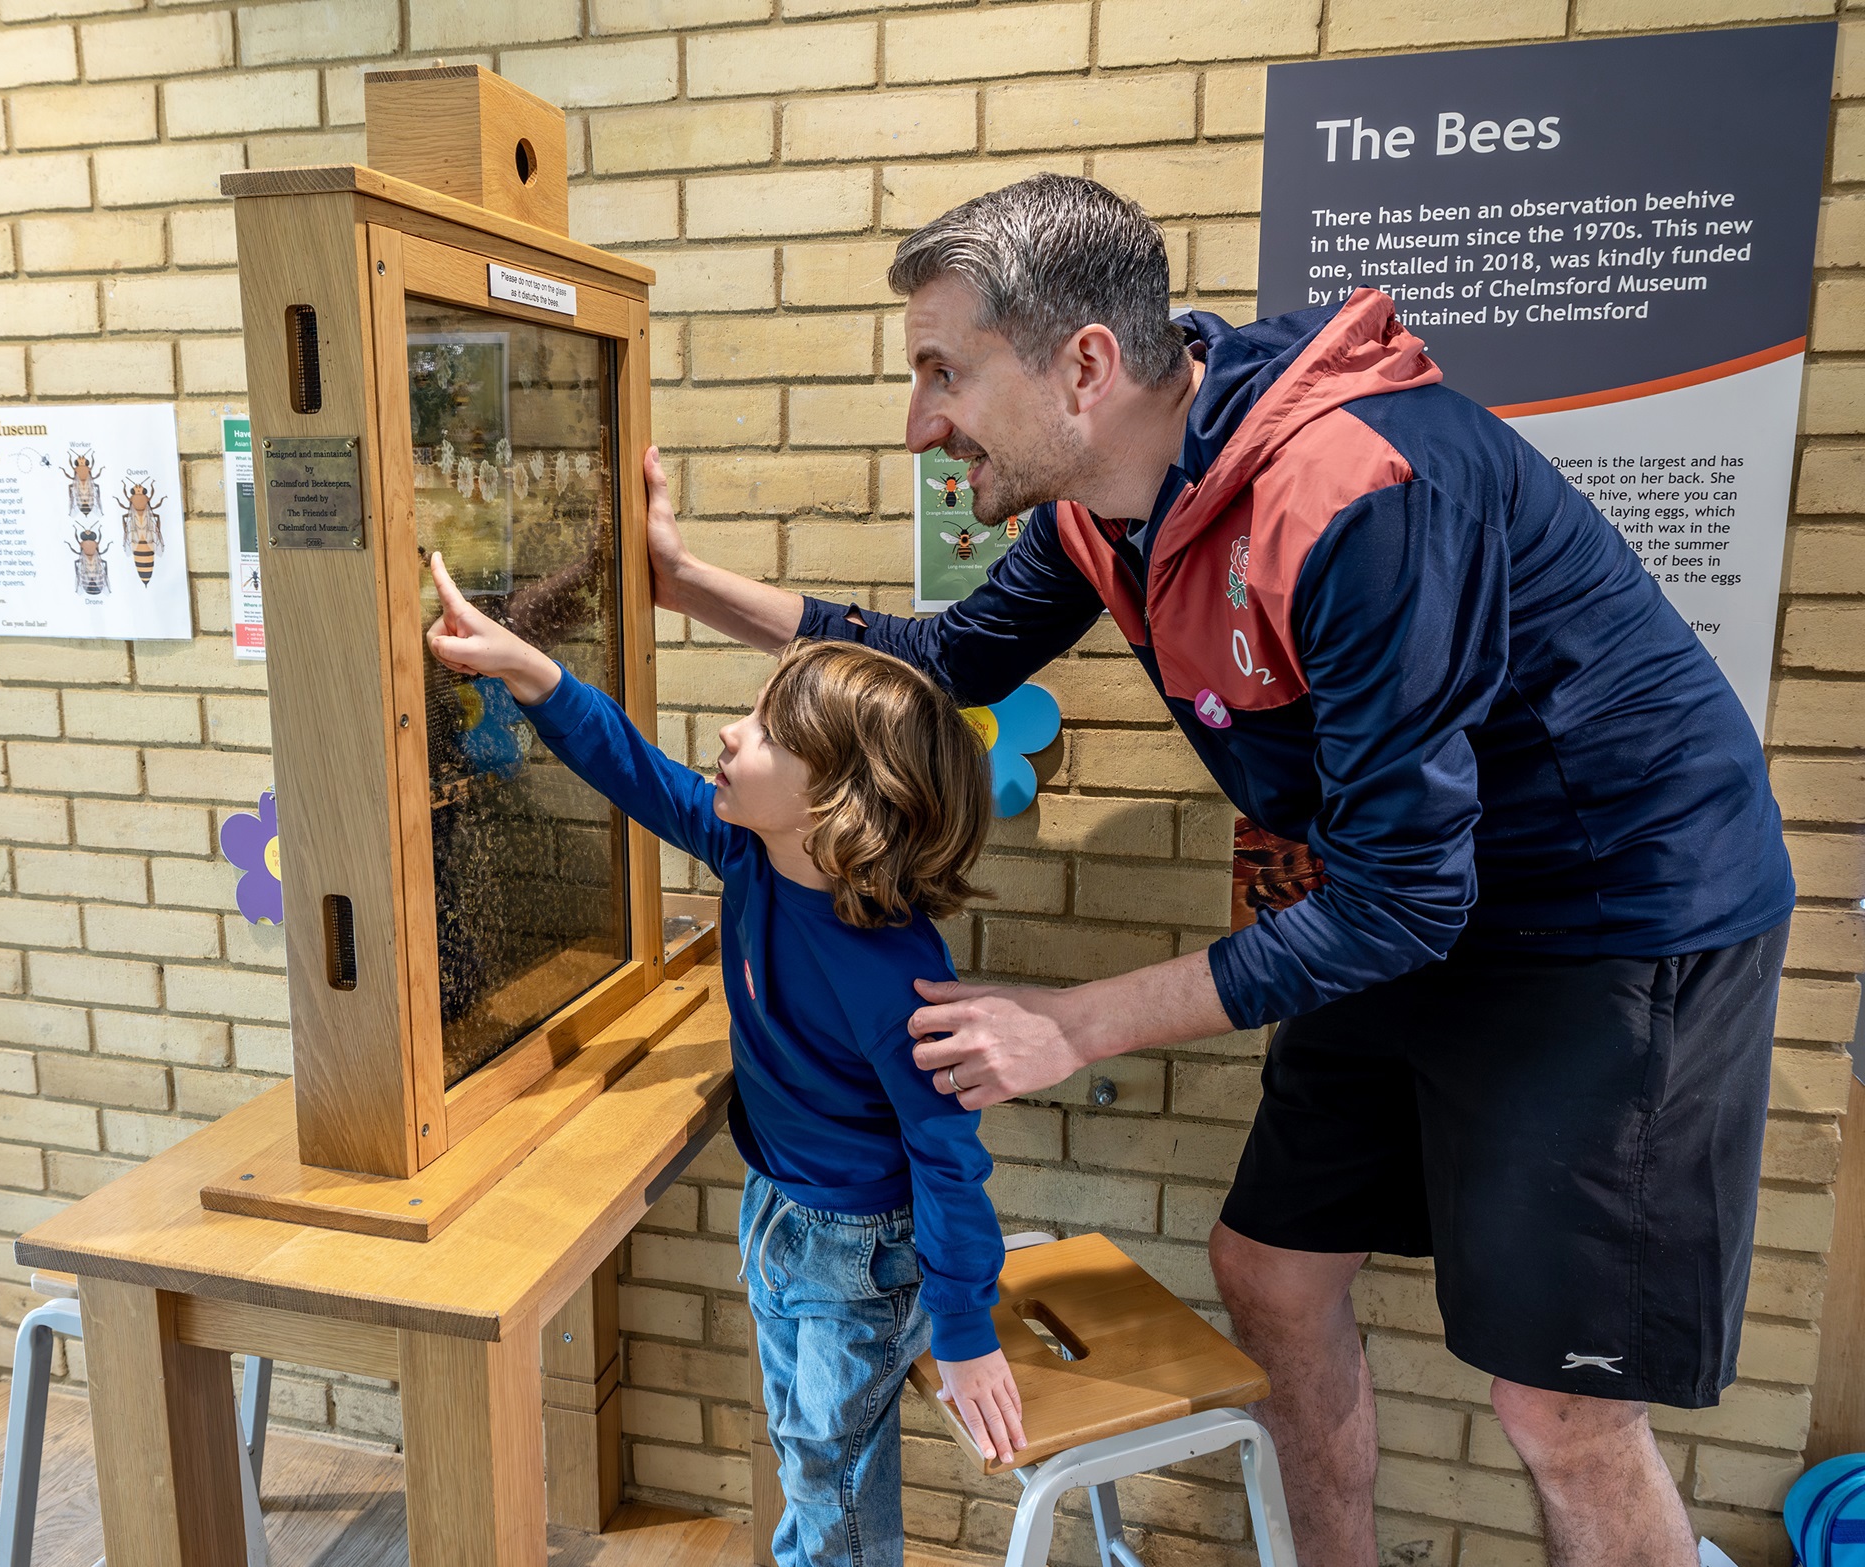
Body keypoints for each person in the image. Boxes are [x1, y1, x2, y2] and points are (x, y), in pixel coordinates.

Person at [637, 173, 1794, 1567]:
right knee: (1273, 1270)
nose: (919, 421)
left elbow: (1406, 892)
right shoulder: (1103, 498)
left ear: (1084, 366)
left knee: (1559, 1402)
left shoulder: (1352, 489)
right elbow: (938, 661)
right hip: (1394, 898)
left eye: (943, 371)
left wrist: (1072, 1020)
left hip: (1609, 911)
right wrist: (686, 580)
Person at [422, 554, 1025, 1567]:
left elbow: (946, 1154)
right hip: (779, 1213)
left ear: (836, 798)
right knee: (805, 1455)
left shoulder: (894, 968)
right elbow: (631, 767)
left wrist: (964, 1329)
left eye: (763, 732)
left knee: (827, 1481)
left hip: (858, 1252)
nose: (727, 734)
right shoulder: (747, 846)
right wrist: (528, 672)